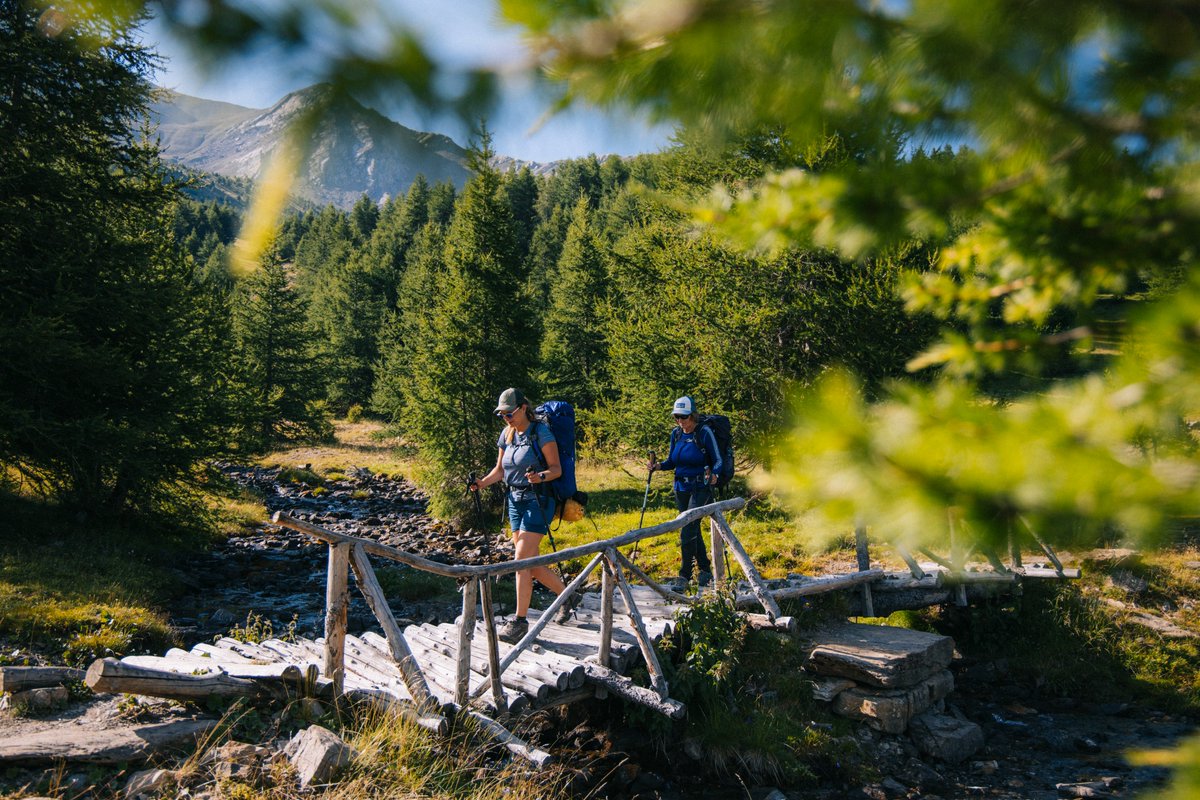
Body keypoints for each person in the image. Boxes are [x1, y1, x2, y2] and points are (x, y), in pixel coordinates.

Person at [470, 388, 580, 642]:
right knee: (531, 563)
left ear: (522, 408)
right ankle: (569, 596)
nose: (505, 417)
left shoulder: (542, 432)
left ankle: (520, 622)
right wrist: (481, 483)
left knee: (521, 559)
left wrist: (539, 476)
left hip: (539, 499)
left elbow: (556, 469)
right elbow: (500, 470)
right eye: (502, 414)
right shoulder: (507, 434)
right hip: (515, 500)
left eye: (509, 413)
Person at [650, 396, 722, 588]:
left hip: (700, 487)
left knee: (687, 529)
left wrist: (714, 474)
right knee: (693, 529)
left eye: (684, 417)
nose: (681, 422)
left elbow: (718, 460)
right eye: (677, 417)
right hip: (681, 488)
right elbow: (671, 461)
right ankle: (706, 571)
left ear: (693, 416)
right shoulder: (676, 434)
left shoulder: (704, 432)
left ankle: (684, 576)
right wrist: (657, 466)